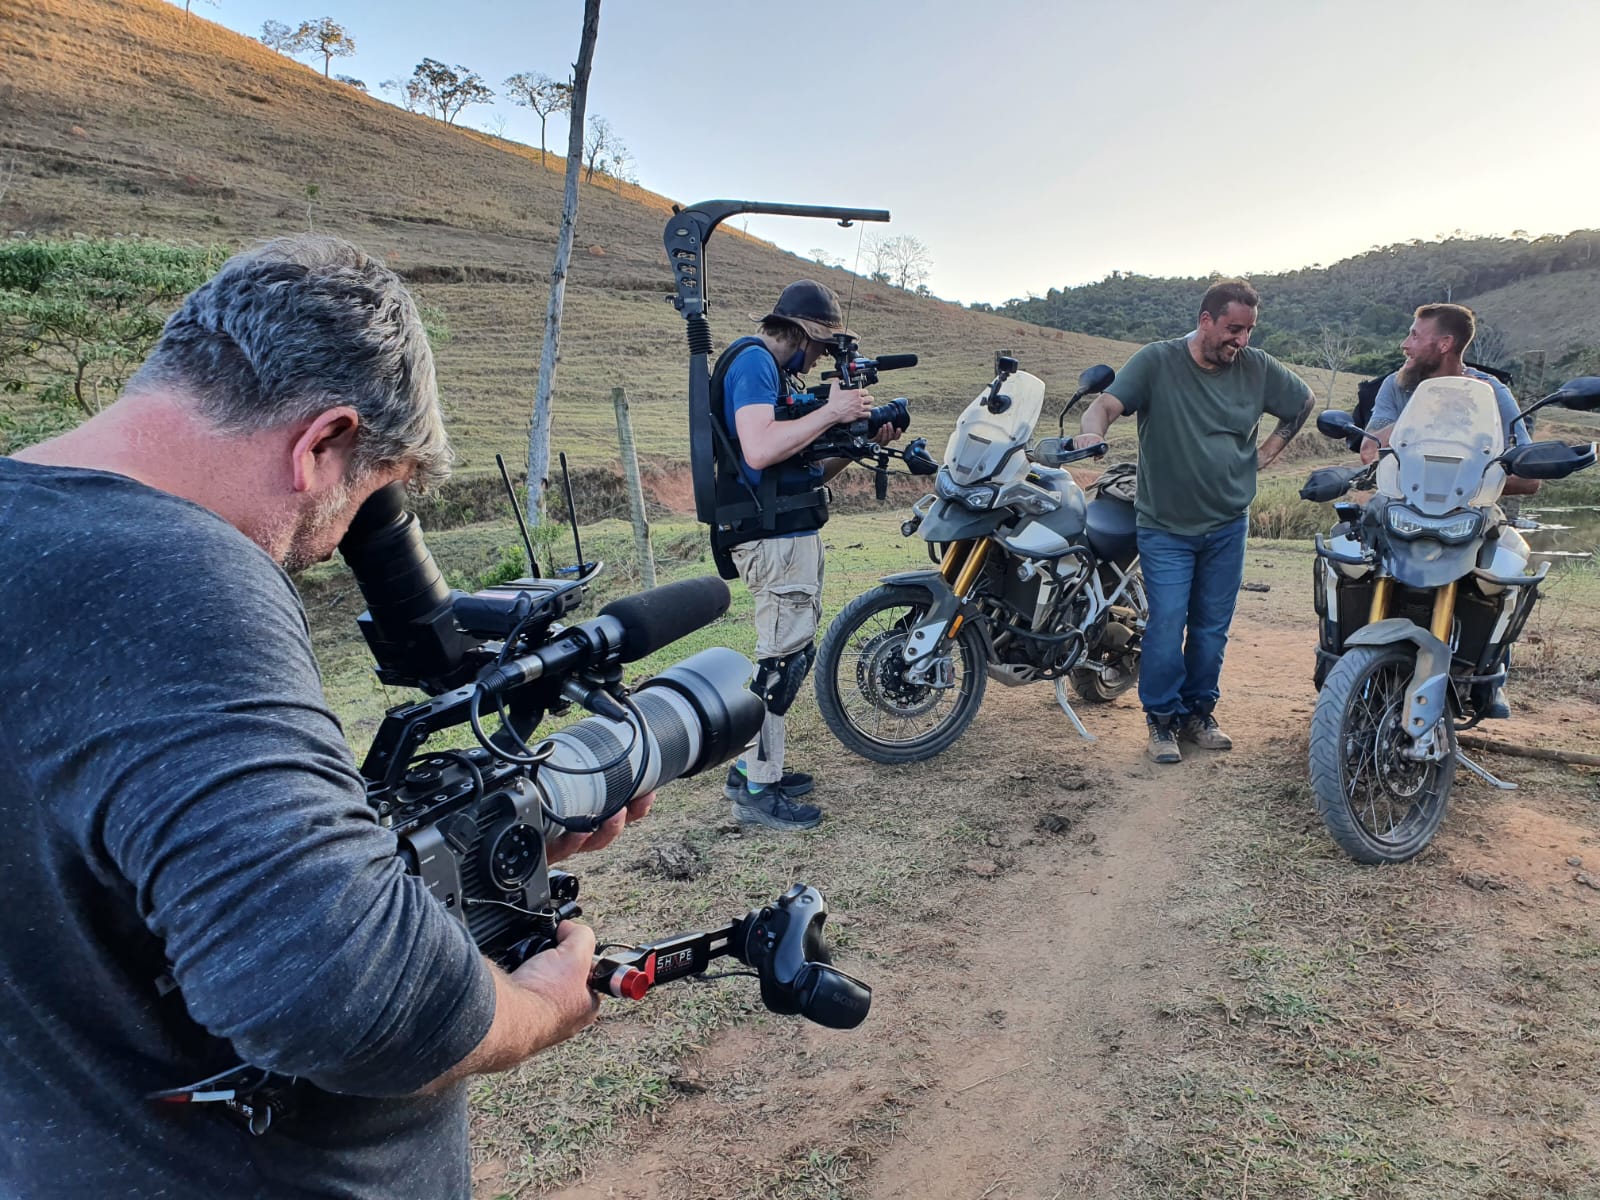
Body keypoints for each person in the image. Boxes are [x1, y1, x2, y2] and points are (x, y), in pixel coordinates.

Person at [0, 236, 651, 1198]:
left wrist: (471, 854)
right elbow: (341, 992)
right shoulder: (178, 576)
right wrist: (534, 1007)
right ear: (321, 445)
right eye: (366, 504)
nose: (344, 542)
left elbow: (116, 874)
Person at [1076, 279, 1315, 764]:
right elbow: (1105, 405)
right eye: (1233, 329)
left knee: (1211, 627)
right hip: (1166, 525)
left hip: (1228, 523)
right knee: (1167, 623)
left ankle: (1199, 714)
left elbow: (1303, 401)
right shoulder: (1157, 361)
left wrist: (1269, 451)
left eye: (1248, 330)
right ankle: (1161, 721)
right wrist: (1089, 436)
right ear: (1205, 320)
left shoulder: (1257, 366)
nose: (1241, 340)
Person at [711, 280, 895, 829]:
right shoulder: (753, 361)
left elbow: (801, 473)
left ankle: (751, 768)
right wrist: (833, 411)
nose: (820, 359)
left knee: (788, 655)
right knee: (779, 662)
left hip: (786, 530)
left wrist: (860, 439)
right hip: (770, 539)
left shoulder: (774, 373)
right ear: (802, 334)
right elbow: (761, 447)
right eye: (821, 347)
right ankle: (757, 790)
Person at [1359, 303, 1537, 718]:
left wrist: (1480, 478)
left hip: (1469, 510)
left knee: (1507, 566)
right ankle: (1337, 653)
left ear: (1445, 343)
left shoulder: (1492, 393)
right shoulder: (1396, 386)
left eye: (1415, 336)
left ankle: (1490, 670)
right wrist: (1421, 412)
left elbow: (1527, 472)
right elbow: (1370, 450)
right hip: (1401, 505)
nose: (1405, 344)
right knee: (1346, 557)